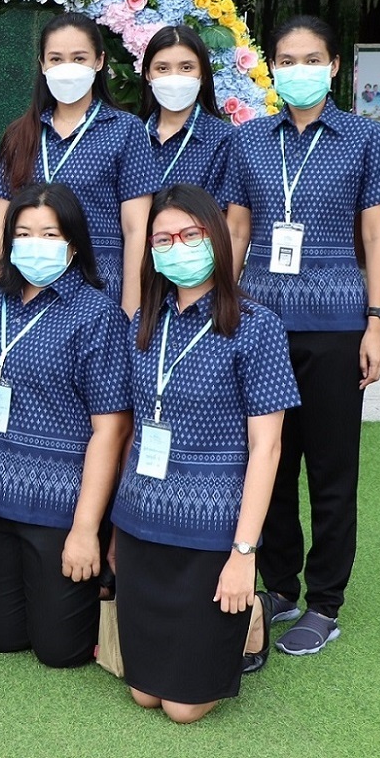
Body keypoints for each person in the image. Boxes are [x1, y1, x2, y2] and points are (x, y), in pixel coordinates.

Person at [223, 14, 380, 657]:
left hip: (335, 325)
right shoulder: (248, 141)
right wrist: (228, 309)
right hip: (261, 324)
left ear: (333, 67)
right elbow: (239, 230)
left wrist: (376, 322)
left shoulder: (364, 139)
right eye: (286, 58)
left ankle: (325, 600)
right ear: (272, 67)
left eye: (311, 59)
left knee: (331, 467)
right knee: (268, 461)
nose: (297, 69)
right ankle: (280, 584)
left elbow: (379, 236)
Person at [111, 183, 297, 722]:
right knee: (144, 693)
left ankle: (252, 612)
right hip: (144, 520)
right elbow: (132, 432)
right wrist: (119, 529)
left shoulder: (256, 326)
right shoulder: (144, 322)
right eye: (163, 239)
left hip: (213, 530)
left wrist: (244, 555)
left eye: (190, 234)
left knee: (182, 709)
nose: (177, 247)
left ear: (215, 237)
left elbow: (268, 447)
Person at [0, 182, 131, 668]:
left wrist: (85, 529)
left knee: (61, 651)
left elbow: (111, 429)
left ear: (74, 243)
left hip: (60, 507)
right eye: (24, 232)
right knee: (1, 636)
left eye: (50, 233)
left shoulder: (97, 315)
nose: (35, 244)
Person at [0, 12, 160, 316]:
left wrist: (131, 307)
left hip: (99, 281)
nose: (67, 68)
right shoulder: (20, 134)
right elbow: (3, 225)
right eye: (56, 59)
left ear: (99, 61)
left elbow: (136, 228)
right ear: (42, 65)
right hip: (30, 284)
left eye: (79, 58)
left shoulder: (126, 129)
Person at [140, 25, 235, 202]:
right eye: (162, 68)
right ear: (147, 75)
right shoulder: (131, 134)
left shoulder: (224, 140)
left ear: (203, 75)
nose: (174, 78)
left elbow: (221, 217)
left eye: (186, 68)